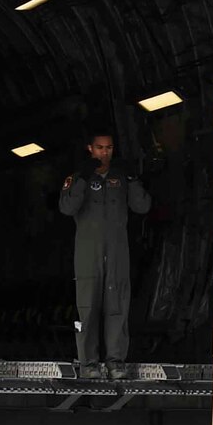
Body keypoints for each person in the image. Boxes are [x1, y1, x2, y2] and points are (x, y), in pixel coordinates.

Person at [59, 131, 151, 372]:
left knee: (118, 306)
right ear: (90, 148)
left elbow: (142, 206)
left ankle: (115, 362)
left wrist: (132, 178)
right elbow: (67, 208)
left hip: (118, 252)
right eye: (99, 148)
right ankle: (88, 363)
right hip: (88, 254)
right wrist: (82, 179)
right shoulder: (78, 177)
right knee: (87, 308)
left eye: (109, 148)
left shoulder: (121, 177)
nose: (104, 152)